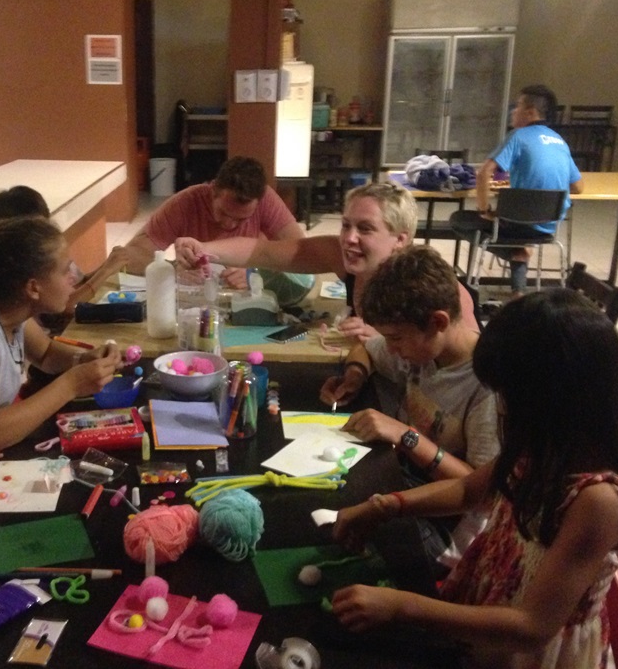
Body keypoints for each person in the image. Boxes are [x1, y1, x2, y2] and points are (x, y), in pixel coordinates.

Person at [330, 289, 618, 669]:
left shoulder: (598, 500)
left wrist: (403, 606)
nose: (502, 406)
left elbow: (532, 627)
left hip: (525, 653)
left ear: (555, 398)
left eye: (508, 394)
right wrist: (385, 506)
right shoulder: (543, 446)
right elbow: (469, 489)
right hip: (489, 615)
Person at [322, 245, 498, 570]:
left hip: (449, 533)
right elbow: (366, 349)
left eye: (396, 338)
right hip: (404, 485)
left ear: (438, 321)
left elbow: (481, 491)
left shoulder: (487, 386)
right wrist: (355, 375)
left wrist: (407, 436)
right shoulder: (424, 348)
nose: (391, 348)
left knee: (338, 540)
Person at [0, 217, 121, 477]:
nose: (73, 278)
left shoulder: (7, 305)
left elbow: (46, 354)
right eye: (64, 271)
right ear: (33, 288)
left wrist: (83, 359)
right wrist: (71, 384)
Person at [176, 181, 479, 343]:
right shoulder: (340, 255)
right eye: (346, 225)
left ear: (400, 239)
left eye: (365, 229)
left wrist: (389, 340)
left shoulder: (436, 288)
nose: (349, 238)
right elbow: (263, 252)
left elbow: (473, 365)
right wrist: (202, 248)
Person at [450, 84, 583, 296]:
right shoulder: (560, 141)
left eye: (517, 106)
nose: (513, 111)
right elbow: (578, 186)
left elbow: (483, 174)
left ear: (530, 113)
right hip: (548, 226)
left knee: (459, 219)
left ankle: (514, 253)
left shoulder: (518, 136)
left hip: (517, 224)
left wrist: (484, 210)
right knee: (517, 229)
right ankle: (517, 292)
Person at [124, 155, 305, 287]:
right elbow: (128, 257)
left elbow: (302, 254)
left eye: (241, 219)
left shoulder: (266, 200)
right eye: (224, 213)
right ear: (213, 191)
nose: (229, 224)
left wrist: (257, 274)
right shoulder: (185, 203)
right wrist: (172, 270)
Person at [0, 185, 129, 312]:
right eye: (37, 228)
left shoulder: (49, 246)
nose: (46, 231)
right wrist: (106, 271)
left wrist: (109, 264)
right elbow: (68, 306)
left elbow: (79, 282)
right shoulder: (21, 263)